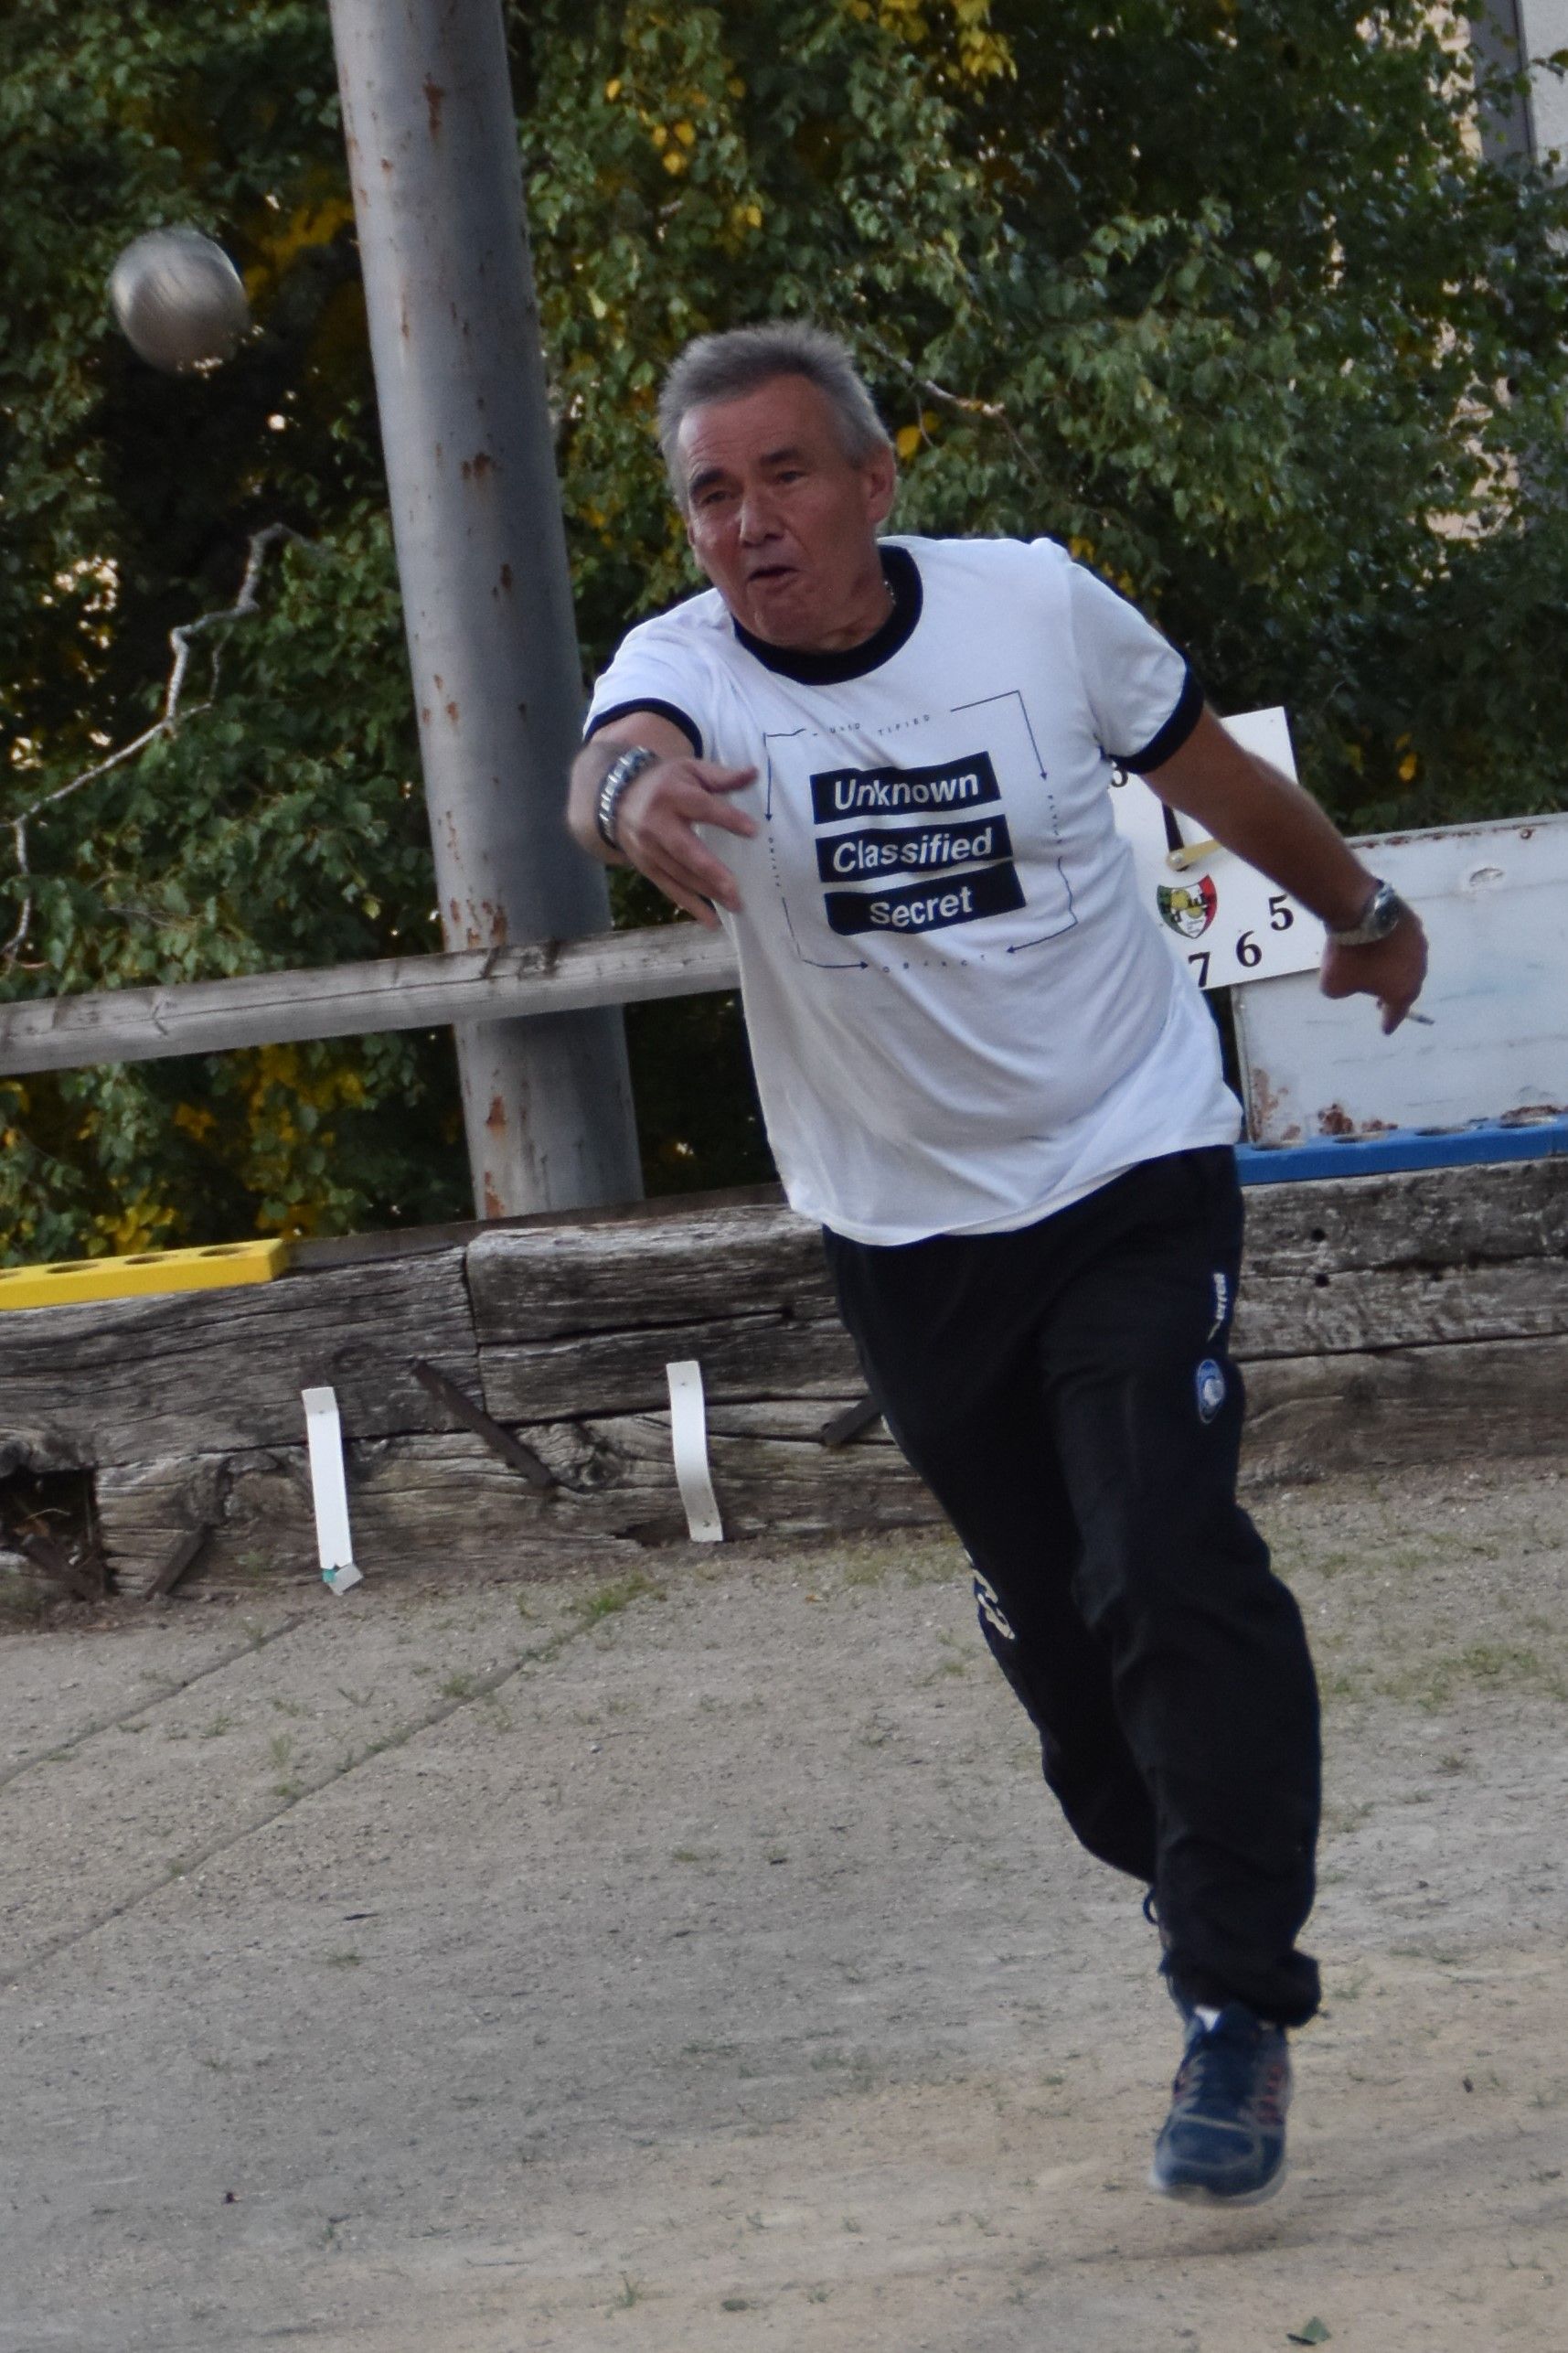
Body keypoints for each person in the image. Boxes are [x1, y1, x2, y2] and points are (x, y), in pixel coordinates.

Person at [565, 322, 1428, 2205]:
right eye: (712, 493)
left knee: (1163, 1552)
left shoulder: (1030, 606)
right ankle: (1176, 1866)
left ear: (876, 483)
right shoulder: (685, 665)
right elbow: (618, 760)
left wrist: (1360, 906)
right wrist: (633, 803)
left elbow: (1208, 771)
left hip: (1128, 1159)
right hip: (906, 1227)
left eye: (787, 475)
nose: (750, 521)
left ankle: (1236, 2001)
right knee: (1066, 1630)